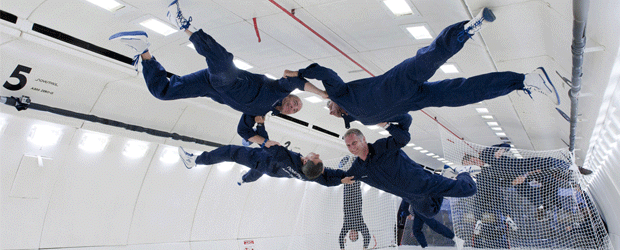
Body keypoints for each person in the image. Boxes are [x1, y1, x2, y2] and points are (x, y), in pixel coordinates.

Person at [283, 8, 560, 129]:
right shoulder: (363, 120)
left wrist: (301, 76)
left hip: (397, 82)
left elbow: (327, 74)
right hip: (419, 99)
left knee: (430, 58)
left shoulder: (340, 95)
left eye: (329, 109)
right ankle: (525, 80)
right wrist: (389, 127)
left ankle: (466, 29)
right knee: (465, 94)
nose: (330, 111)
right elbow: (404, 124)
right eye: (331, 113)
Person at [109, 0, 327, 146]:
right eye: (295, 103)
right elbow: (297, 80)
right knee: (223, 60)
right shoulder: (279, 89)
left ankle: (143, 50)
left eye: (295, 110)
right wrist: (322, 94)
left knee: (163, 92)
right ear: (290, 97)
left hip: (209, 87)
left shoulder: (259, 115)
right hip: (230, 80)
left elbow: (244, 133)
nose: (293, 107)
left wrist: (264, 137)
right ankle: (183, 25)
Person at [323, 113, 480, 221]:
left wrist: (385, 124)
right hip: (412, 196)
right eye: (349, 145)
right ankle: (443, 183)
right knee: (430, 213)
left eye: (354, 143)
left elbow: (404, 130)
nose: (352, 148)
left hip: (425, 182)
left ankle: (463, 173)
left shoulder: (382, 146)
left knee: (469, 189)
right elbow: (339, 176)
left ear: (363, 139)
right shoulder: (358, 169)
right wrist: (318, 171)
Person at [177, 142, 347, 187]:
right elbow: (325, 180)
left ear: (305, 160)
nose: (316, 154)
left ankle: (194, 161)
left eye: (315, 157)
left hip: (263, 159)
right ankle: (243, 179)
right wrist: (341, 178)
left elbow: (267, 144)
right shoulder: (310, 175)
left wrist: (256, 128)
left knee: (230, 152)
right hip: (272, 170)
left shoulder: (287, 157)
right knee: (258, 172)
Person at [397, 200, 464, 249]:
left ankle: (455, 238)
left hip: (422, 209)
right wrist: (407, 213)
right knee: (416, 230)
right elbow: (404, 203)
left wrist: (407, 213)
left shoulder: (414, 186)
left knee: (434, 225)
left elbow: (405, 203)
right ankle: (424, 246)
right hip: (418, 210)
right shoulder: (410, 188)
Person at [339, 181, 370, 250]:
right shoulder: (360, 226)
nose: (352, 234)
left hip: (347, 200)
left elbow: (341, 237)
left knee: (347, 182)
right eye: (354, 235)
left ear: (349, 234)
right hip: (356, 200)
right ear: (357, 234)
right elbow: (367, 236)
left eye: (351, 235)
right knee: (355, 181)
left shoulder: (346, 226)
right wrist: (364, 248)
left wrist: (342, 248)